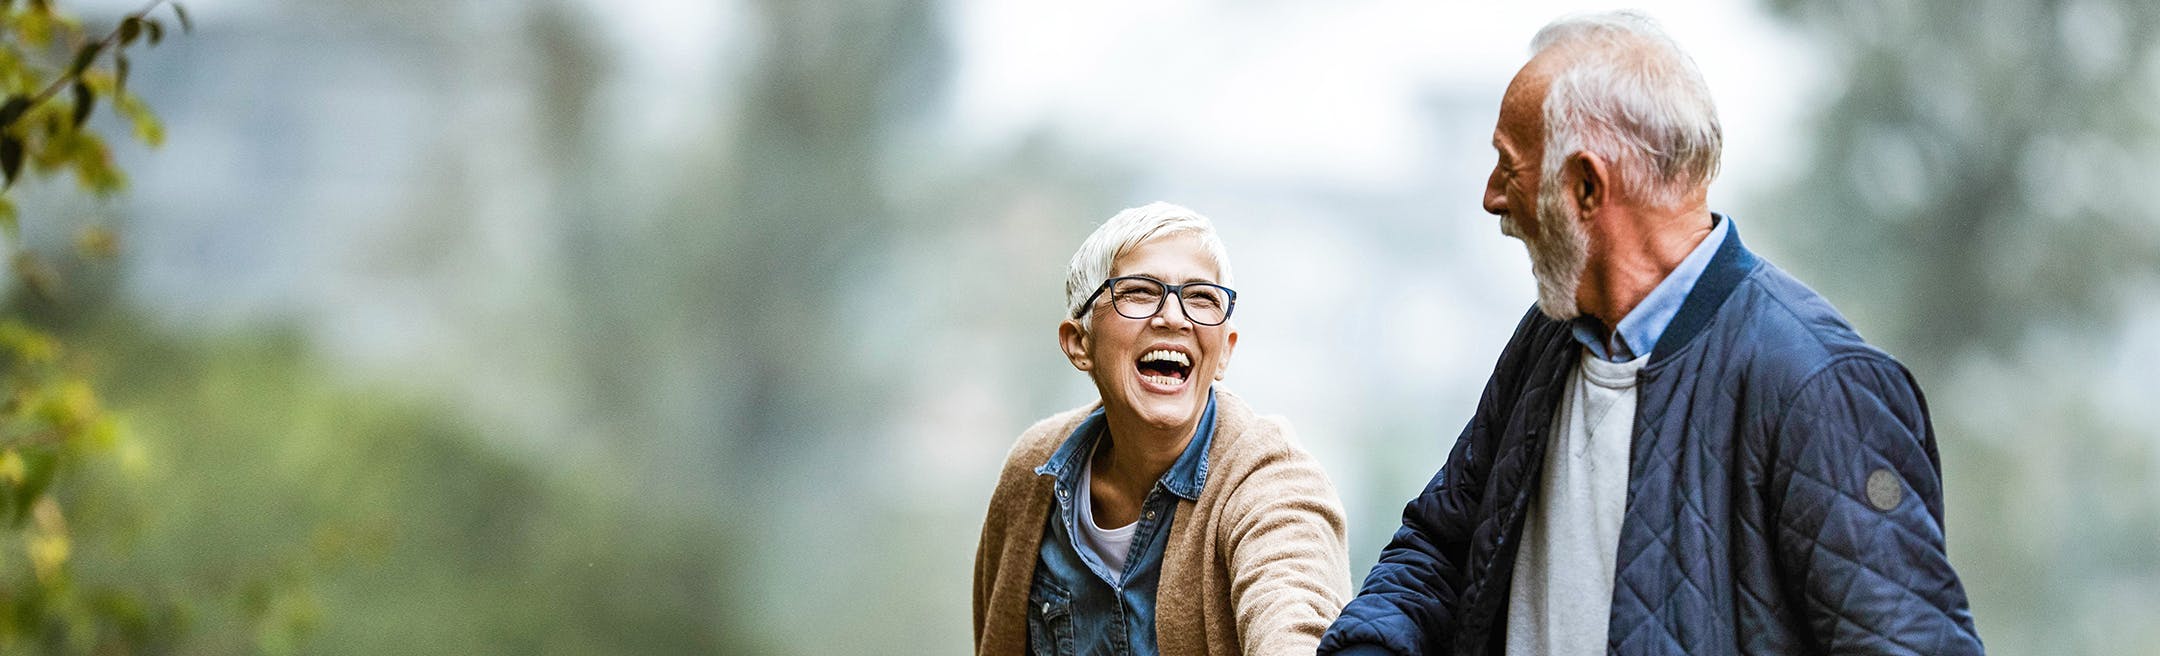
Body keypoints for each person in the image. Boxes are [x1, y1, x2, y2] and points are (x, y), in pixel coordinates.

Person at [1319, 11, 1983, 655]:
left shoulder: (1818, 384)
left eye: (1508, 164)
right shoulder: (1546, 340)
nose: (1492, 196)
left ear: (1585, 186)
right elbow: (1444, 546)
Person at [973, 202, 1351, 655]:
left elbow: (1295, 615)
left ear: (1225, 352)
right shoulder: (1032, 475)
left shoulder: (1274, 483)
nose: (1174, 317)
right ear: (1079, 343)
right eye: (1138, 291)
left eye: (1201, 297)